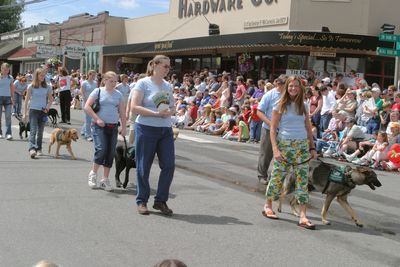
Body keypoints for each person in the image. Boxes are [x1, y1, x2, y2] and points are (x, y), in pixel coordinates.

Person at [262, 76, 317, 230]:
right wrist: (275, 149)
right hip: (284, 144)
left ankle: (303, 215)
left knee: (302, 180)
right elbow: (272, 129)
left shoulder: (304, 105)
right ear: (287, 87)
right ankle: (267, 205)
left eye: (296, 86)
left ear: (301, 88)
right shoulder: (280, 104)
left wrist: (312, 147)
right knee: (278, 176)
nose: (293, 89)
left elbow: (308, 127)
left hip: (301, 146)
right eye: (291, 86)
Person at [130, 55, 176, 216]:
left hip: (165, 129)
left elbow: (173, 107)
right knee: (144, 165)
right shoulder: (143, 83)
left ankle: (160, 200)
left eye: (169, 67)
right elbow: (134, 107)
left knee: (169, 165)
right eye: (165, 66)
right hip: (146, 127)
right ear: (155, 66)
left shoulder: (167, 85)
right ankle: (142, 200)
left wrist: (169, 112)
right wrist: (156, 113)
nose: (168, 69)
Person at [84, 71, 126, 191]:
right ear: (105, 80)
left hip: (113, 126)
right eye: (111, 81)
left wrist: (123, 127)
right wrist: (97, 119)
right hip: (99, 126)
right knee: (101, 149)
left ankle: (105, 179)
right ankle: (93, 173)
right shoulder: (98, 91)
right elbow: (87, 106)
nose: (113, 83)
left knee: (110, 152)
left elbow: (122, 112)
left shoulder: (118, 94)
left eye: (115, 81)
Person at [256, 76, 285, 185]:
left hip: (283, 130)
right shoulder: (269, 95)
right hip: (268, 128)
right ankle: (262, 175)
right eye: (283, 85)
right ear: (278, 84)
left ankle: (277, 178)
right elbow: (259, 112)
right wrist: (270, 123)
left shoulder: (288, 95)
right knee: (266, 153)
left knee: (282, 154)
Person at [23, 68, 54, 158]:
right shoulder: (31, 86)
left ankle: (39, 148)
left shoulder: (47, 86)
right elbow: (26, 99)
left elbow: (51, 99)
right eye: (41, 75)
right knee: (33, 130)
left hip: (43, 112)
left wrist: (47, 108)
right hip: (33, 110)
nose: (42, 77)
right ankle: (32, 148)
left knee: (40, 132)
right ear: (36, 76)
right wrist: (25, 113)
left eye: (44, 75)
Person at [80, 70, 97, 141]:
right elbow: (82, 93)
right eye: (92, 75)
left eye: (94, 75)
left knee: (89, 119)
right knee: (88, 119)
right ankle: (88, 135)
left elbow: (96, 92)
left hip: (93, 102)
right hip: (86, 102)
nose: (94, 76)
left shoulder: (95, 83)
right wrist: (86, 102)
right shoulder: (84, 83)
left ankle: (83, 131)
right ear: (89, 75)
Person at [0, 63, 15, 140]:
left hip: (8, 98)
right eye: (4, 69)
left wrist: (13, 98)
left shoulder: (10, 77)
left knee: (8, 116)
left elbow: (12, 88)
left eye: (7, 70)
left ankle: (8, 133)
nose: (6, 71)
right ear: (1, 69)